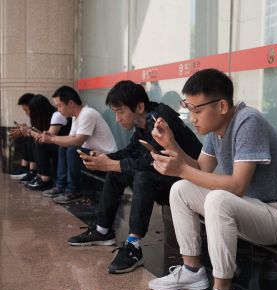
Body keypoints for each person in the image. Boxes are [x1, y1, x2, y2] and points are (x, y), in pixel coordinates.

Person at [147, 68, 277, 290]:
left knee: (218, 199)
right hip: (250, 207)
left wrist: (181, 169)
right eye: (189, 109)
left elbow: (237, 185)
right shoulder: (216, 129)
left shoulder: (248, 121)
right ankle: (192, 271)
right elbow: (200, 169)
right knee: (180, 189)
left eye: (197, 110)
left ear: (221, 106)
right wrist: (171, 145)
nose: (192, 118)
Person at [67, 80, 202, 274]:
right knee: (118, 172)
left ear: (139, 107)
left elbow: (152, 161)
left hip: (188, 182)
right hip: (167, 177)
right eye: (115, 112)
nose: (117, 118)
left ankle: (133, 245)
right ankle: (102, 230)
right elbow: (132, 151)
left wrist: (112, 164)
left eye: (120, 111)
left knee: (142, 177)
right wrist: (106, 159)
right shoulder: (142, 122)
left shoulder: (160, 120)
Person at [38, 86, 117, 203]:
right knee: (63, 148)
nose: (58, 110)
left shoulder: (88, 113)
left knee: (72, 150)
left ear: (70, 103)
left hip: (105, 156)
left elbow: (77, 141)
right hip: (92, 153)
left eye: (60, 106)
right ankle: (61, 186)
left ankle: (74, 191)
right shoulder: (77, 117)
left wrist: (52, 139)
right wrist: (52, 137)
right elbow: (71, 138)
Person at [25, 95, 71, 191]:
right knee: (33, 141)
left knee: (39, 143)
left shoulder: (57, 115)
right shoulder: (49, 116)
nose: (28, 114)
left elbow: (48, 138)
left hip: (65, 147)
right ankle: (38, 174)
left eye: (60, 105)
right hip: (60, 146)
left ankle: (45, 179)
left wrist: (29, 131)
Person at [9, 93, 38, 182]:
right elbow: (36, 130)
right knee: (27, 138)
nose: (26, 113)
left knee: (30, 138)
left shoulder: (48, 115)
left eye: (26, 110)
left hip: (49, 142)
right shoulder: (34, 117)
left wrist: (26, 131)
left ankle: (32, 171)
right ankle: (24, 168)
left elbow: (44, 133)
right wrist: (25, 129)